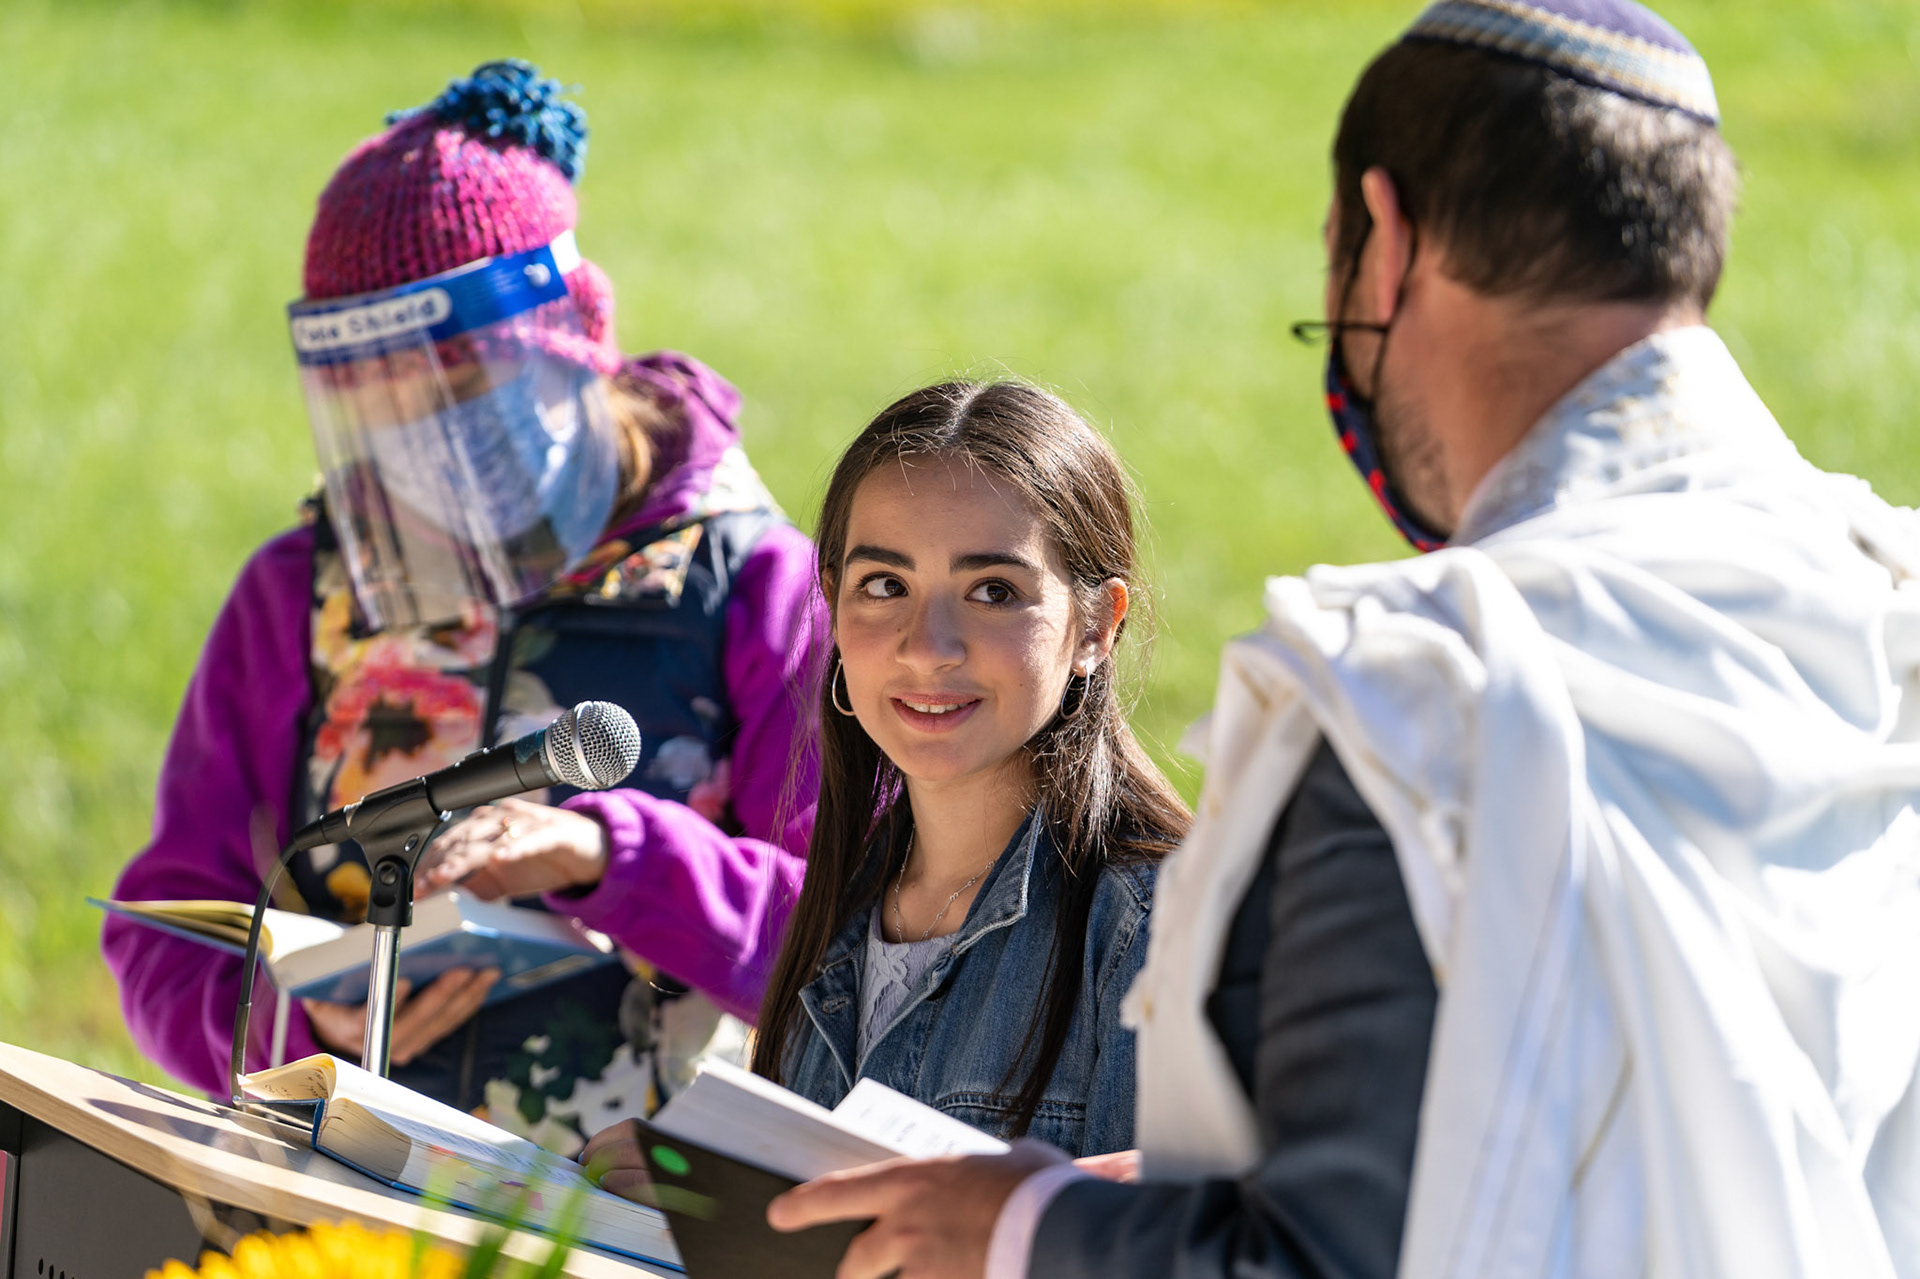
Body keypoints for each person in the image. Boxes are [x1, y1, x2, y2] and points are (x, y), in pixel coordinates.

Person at [760, 2, 1920, 1276]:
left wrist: (1021, 1223)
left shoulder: (1423, 699)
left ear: (1383, 243)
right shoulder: (1890, 602)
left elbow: (1332, 1255)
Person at [103, 60, 822, 1144]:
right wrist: (291, 1026)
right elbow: (161, 929)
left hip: (638, 1211)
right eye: (380, 409)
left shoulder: (758, 588)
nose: (426, 448)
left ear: (576, 334)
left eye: (463, 389)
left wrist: (618, 860)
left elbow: (859, 957)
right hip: (331, 1201)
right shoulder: (297, 592)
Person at [586, 380, 1190, 1181]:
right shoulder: (845, 894)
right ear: (832, 605)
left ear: (1096, 626)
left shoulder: (1159, 927)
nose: (927, 646)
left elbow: (1167, 1235)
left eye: (994, 591)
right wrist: (706, 1181)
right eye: (885, 585)